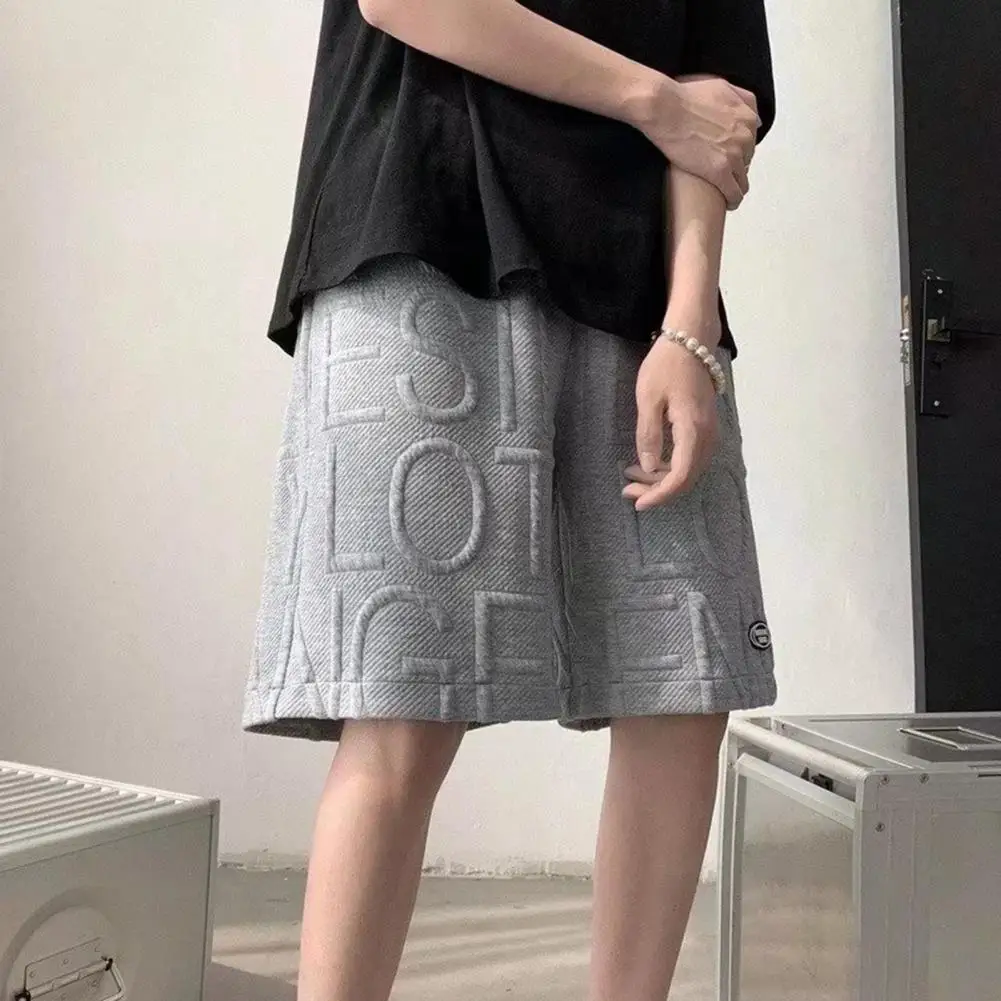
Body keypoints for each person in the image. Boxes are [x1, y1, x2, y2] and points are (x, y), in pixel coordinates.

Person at [242, 0, 777, 996]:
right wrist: (651, 101)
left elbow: (717, 112)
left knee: (680, 686)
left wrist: (689, 327)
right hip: (420, 226)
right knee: (401, 700)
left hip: (637, 281)